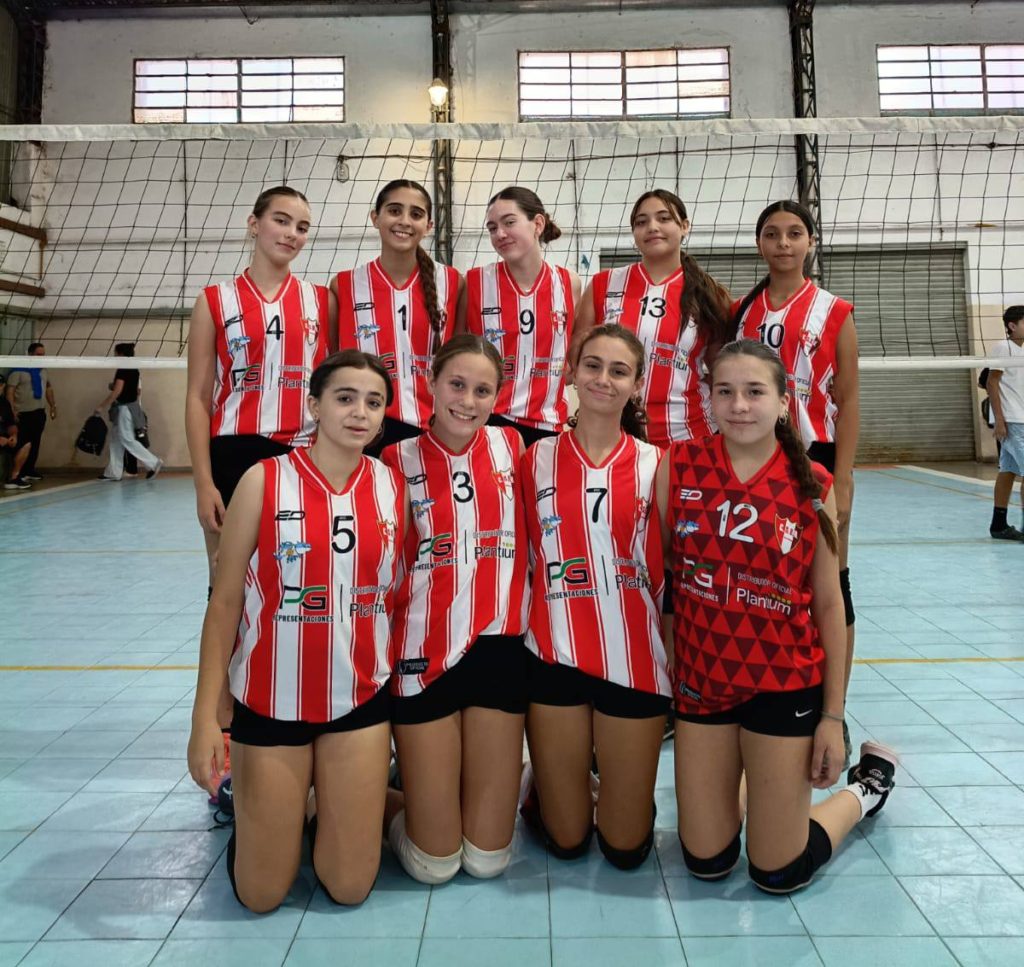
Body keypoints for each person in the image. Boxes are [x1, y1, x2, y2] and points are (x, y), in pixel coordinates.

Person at [663, 339, 897, 894]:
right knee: (706, 862)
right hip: (703, 683)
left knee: (777, 872)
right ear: (708, 398)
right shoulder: (678, 465)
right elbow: (667, 577)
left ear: (784, 402)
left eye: (754, 391)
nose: (739, 405)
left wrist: (832, 717)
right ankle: (755, 779)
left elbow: (830, 605)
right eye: (725, 392)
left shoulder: (813, 483)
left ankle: (866, 790)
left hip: (785, 684)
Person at [186, 350, 406, 912]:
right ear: (314, 405)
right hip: (270, 700)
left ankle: (315, 811)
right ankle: (263, 813)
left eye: (373, 402)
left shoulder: (392, 486)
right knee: (261, 894)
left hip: (358, 700)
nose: (359, 412)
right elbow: (225, 603)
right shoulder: (264, 480)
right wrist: (206, 718)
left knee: (349, 887)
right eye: (345, 398)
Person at [519, 323, 670, 871]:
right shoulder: (532, 458)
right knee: (567, 840)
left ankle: (619, 790)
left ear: (638, 383)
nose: (604, 379)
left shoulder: (658, 465)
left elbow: (675, 574)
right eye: (593, 366)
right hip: (553, 656)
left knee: (624, 849)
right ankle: (543, 781)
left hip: (635, 659)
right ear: (572, 372)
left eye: (619, 370)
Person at [381, 334, 528, 884]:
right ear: (431, 383)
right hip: (421, 652)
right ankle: (367, 796)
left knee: (487, 861)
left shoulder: (514, 446)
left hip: (497, 651)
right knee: (433, 864)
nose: (467, 401)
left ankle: (525, 780)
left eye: (482, 391)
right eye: (457, 385)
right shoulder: (393, 460)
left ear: (497, 396)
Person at [732, 200, 860, 763]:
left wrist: (845, 479)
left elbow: (849, 398)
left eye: (794, 233)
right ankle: (761, 695)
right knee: (761, 579)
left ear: (810, 241)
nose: (783, 243)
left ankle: (836, 709)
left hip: (816, 458)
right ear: (759, 243)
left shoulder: (834, 310)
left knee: (833, 585)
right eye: (772, 234)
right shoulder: (742, 310)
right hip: (755, 457)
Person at [185, 185, 333, 592]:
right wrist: (203, 484)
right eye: (281, 221)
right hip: (233, 452)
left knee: (298, 579)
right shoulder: (213, 300)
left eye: (301, 227)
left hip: (302, 454)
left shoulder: (322, 301)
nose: (291, 234)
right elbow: (197, 397)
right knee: (226, 584)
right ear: (254, 224)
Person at [570, 189, 731, 449]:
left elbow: (721, 372)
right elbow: (576, 358)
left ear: (684, 226)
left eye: (664, 218)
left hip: (688, 434)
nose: (652, 227)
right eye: (641, 222)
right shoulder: (604, 284)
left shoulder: (710, 294)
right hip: (615, 433)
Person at [333, 180, 460, 456]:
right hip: (365, 429)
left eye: (416, 214)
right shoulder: (344, 285)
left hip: (432, 429)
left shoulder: (452, 282)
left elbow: (459, 358)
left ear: (429, 225)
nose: (404, 221)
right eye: (394, 210)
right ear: (375, 218)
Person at [459, 186, 580, 447]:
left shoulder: (568, 283)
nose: (500, 234)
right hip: (489, 421)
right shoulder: (474, 282)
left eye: (509, 222)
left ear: (538, 224)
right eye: (492, 228)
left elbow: (574, 361)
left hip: (548, 424)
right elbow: (456, 356)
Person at [95, 343, 163, 481]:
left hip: (125, 408)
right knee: (115, 440)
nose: (114, 356)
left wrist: (101, 406)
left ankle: (153, 462)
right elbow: (134, 390)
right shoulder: (134, 369)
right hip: (127, 407)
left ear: (120, 354)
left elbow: (118, 391)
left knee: (127, 439)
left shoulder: (123, 369)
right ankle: (113, 472)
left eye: (115, 353)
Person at [987, 305, 1024, 540]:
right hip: (1011, 420)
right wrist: (999, 420)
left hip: (1020, 418)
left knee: (1008, 471)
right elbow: (991, 383)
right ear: (1012, 325)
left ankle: (998, 525)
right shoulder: (1003, 347)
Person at [5, 341, 57, 484]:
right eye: (38, 355)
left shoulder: (43, 370)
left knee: (35, 442)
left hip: (39, 413)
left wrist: (53, 406)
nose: (41, 357)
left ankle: (29, 470)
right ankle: (18, 473)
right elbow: (10, 391)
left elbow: (48, 388)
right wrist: (11, 411)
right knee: (22, 444)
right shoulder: (18, 371)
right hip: (23, 413)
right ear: (30, 354)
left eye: (43, 355)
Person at [1, 376, 32, 491]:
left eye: (1, 385)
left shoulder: (4, 403)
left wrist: (14, 435)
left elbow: (11, 424)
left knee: (26, 442)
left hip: (4, 438)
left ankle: (14, 478)